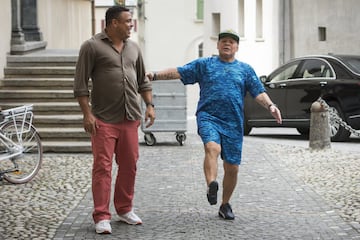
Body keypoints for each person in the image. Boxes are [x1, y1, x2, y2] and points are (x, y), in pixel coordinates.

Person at [147, 29, 282, 220]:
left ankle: (225, 204)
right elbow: (179, 71)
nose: (227, 44)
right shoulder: (205, 65)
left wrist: (271, 105)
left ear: (237, 47)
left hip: (234, 123)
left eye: (231, 42)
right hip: (208, 116)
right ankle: (212, 184)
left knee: (232, 167)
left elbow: (258, 92)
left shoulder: (245, 69)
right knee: (212, 147)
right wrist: (154, 74)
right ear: (218, 45)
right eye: (224, 41)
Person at [73, 6, 155, 234]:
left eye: (131, 21)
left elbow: (142, 81)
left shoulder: (134, 48)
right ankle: (101, 215)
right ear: (113, 23)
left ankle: (124, 208)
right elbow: (80, 84)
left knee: (129, 166)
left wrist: (149, 105)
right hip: (103, 119)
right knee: (103, 168)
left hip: (130, 118)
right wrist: (87, 113)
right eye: (127, 21)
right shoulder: (91, 47)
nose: (131, 25)